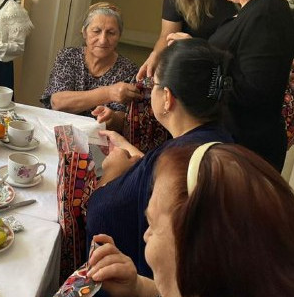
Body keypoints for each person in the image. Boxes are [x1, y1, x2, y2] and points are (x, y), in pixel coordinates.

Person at [3, 143, 294, 297]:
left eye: (151, 224)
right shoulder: (250, 286)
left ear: (195, 252)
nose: (146, 236)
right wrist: (139, 289)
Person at [86, 39, 232, 279]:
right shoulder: (217, 140)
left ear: (167, 97)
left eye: (153, 84)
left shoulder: (179, 157)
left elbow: (99, 215)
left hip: (141, 288)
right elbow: (161, 173)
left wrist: (111, 173)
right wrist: (126, 147)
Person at [167, 0, 294, 171]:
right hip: (234, 143)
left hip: (245, 150)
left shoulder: (266, 14)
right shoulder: (257, 9)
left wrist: (196, 53)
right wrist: (195, 47)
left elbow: (255, 93)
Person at [40, 2, 140, 116]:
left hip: (99, 128)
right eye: (96, 31)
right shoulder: (68, 56)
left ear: (119, 36)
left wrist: (112, 118)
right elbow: (58, 103)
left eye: (111, 33)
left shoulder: (128, 70)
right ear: (84, 33)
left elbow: (124, 117)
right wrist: (108, 93)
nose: (103, 40)